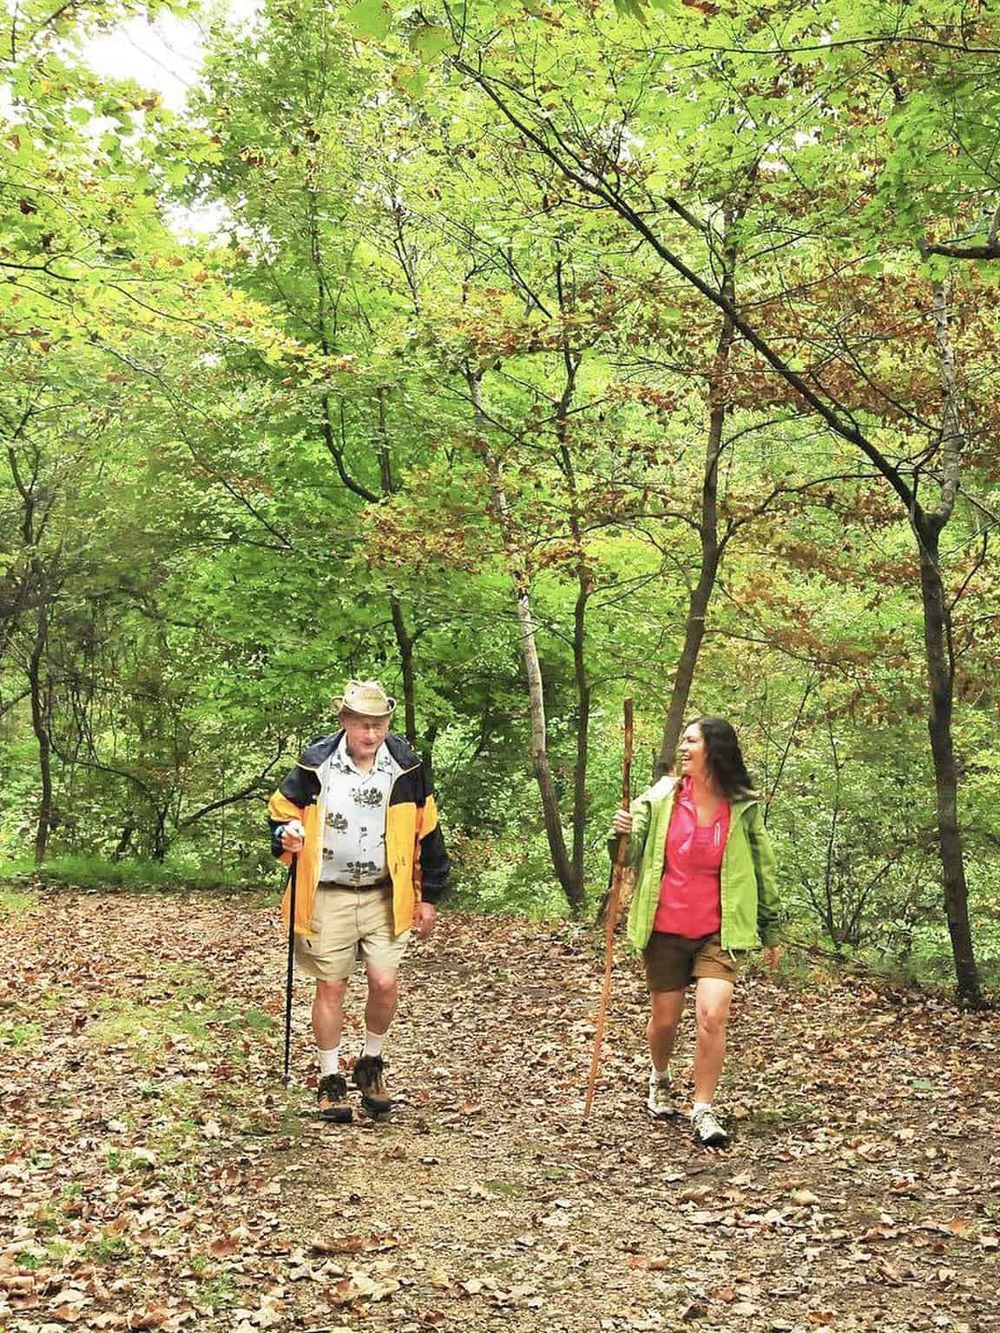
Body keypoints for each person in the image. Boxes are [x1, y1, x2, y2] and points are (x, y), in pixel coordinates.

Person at [268, 679, 449, 1121]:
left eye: (379, 724)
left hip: (386, 893)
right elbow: (280, 816)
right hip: (325, 892)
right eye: (363, 724)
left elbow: (429, 833)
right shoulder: (315, 767)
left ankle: (371, 1064)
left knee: (384, 983)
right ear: (345, 721)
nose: (371, 733)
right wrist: (285, 836)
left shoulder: (407, 768)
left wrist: (431, 897)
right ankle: (330, 1079)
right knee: (331, 985)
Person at [611, 716, 781, 1147]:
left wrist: (771, 928)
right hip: (665, 925)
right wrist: (621, 834)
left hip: (719, 930)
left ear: (713, 748)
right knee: (665, 1021)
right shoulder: (662, 796)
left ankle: (703, 1107)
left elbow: (763, 865)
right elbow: (626, 857)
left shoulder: (741, 804)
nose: (682, 748)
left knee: (712, 1014)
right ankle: (661, 1076)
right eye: (683, 740)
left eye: (691, 740)